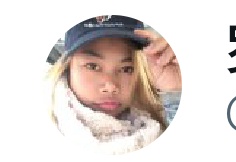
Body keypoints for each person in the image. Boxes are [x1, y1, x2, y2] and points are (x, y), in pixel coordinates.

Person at [48, 17, 170, 149]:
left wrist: (176, 87)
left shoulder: (158, 126)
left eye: (126, 69)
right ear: (67, 68)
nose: (111, 87)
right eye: (92, 66)